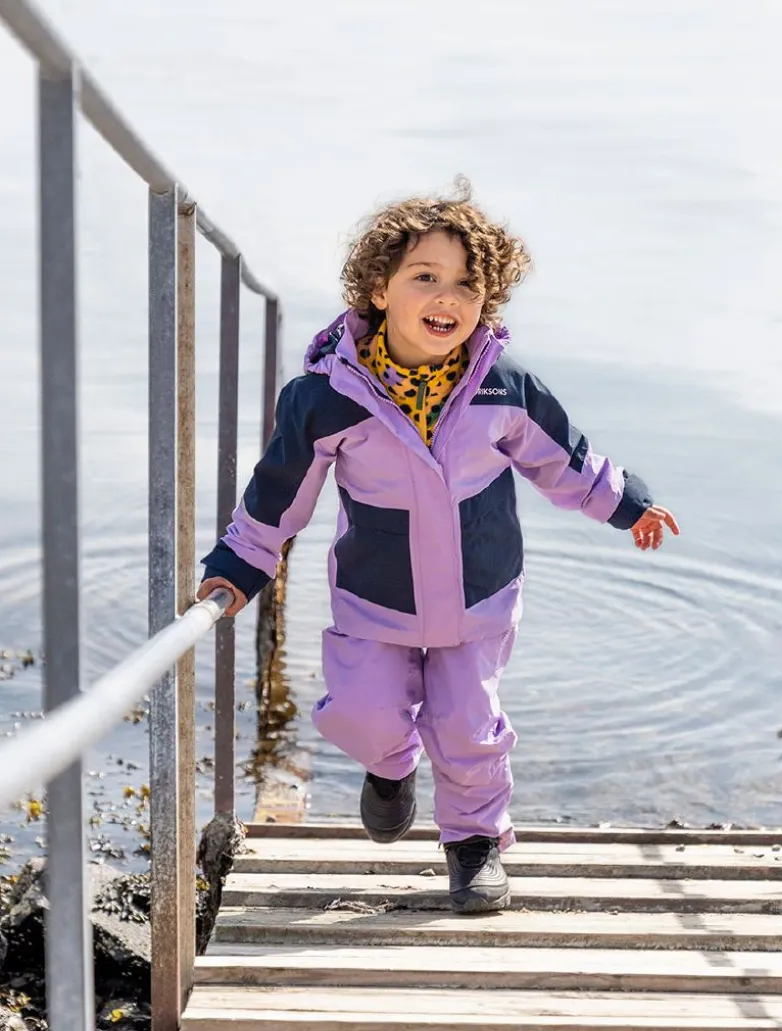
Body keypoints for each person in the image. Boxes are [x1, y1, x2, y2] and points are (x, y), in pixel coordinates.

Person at [197, 183, 679, 913]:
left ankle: (475, 844)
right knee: (361, 712)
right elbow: (279, 495)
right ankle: (389, 767)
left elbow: (566, 461)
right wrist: (238, 566)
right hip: (375, 595)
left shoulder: (503, 389)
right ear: (378, 290)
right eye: (425, 276)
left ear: (487, 302)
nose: (446, 297)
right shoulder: (326, 398)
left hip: (478, 593)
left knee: (468, 726)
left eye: (466, 285)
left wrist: (627, 503)